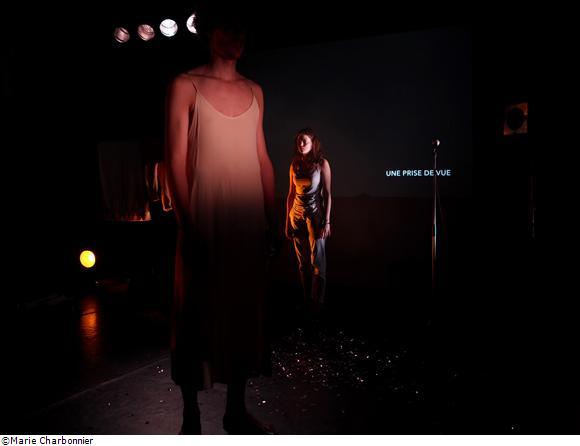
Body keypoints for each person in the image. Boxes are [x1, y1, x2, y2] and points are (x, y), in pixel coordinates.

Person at [165, 4, 276, 435]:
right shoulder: (185, 85)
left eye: (241, 28)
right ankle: (190, 416)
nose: (237, 35)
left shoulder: (255, 90)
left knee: (243, 311)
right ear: (209, 33)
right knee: (195, 311)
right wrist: (188, 223)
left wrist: (271, 220)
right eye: (228, 27)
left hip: (246, 222)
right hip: (205, 217)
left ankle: (235, 410)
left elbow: (262, 158)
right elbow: (175, 159)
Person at [285, 128, 332, 324]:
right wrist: (287, 222)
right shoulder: (295, 164)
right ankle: (306, 301)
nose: (301, 144)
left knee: (317, 262)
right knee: (302, 263)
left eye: (304, 141)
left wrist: (327, 221)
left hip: (315, 215)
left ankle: (317, 304)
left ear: (313, 143)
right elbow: (291, 194)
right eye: (298, 141)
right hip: (296, 214)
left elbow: (327, 194)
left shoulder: (322, 164)